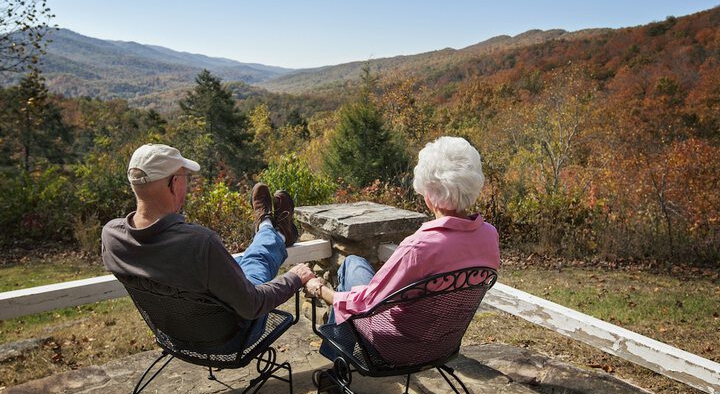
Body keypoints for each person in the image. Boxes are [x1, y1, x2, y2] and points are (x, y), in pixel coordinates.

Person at [305, 136, 500, 366]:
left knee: (351, 266)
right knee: (355, 263)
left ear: (428, 196)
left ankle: (338, 362)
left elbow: (367, 304)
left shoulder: (420, 247)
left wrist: (320, 290)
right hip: (443, 345)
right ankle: (337, 359)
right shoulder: (489, 235)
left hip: (396, 349)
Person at [101, 143, 314, 346]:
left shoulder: (112, 237)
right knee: (256, 261)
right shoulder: (199, 244)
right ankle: (272, 230)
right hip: (231, 338)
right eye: (185, 177)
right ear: (174, 183)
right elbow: (252, 305)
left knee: (244, 267)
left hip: (173, 335)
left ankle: (269, 228)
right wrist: (294, 278)